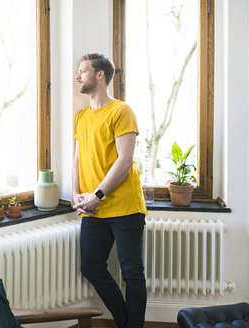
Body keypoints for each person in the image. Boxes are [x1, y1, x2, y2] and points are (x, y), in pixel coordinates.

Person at [72, 53, 148, 328]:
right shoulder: (81, 117)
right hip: (93, 208)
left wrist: (97, 195)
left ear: (100, 74)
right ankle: (125, 321)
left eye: (83, 70)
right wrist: (75, 194)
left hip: (125, 206)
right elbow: (78, 159)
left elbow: (125, 160)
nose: (77, 76)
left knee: (132, 274)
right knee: (90, 267)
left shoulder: (121, 111)